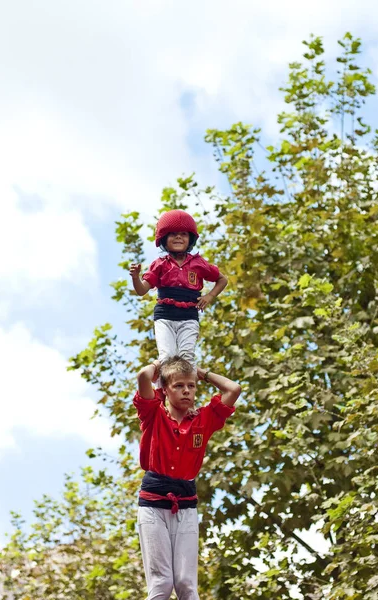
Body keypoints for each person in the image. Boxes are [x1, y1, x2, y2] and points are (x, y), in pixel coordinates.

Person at [134, 355, 241, 600]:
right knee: (162, 583)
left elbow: (233, 389)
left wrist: (199, 372)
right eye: (178, 386)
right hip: (153, 503)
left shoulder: (204, 419)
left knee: (186, 584)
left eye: (191, 386)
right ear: (165, 390)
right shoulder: (153, 415)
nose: (186, 391)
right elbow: (142, 377)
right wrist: (159, 366)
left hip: (186, 502)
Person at [129, 209, 228, 367]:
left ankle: (186, 389)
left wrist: (210, 296)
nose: (178, 237)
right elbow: (142, 291)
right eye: (173, 234)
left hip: (188, 315)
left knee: (186, 356)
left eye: (183, 234)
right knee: (167, 356)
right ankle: (163, 389)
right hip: (165, 316)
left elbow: (222, 279)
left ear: (190, 239)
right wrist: (135, 277)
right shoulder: (160, 264)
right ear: (164, 238)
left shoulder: (198, 263)